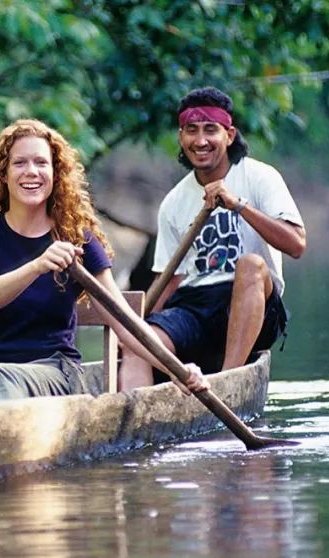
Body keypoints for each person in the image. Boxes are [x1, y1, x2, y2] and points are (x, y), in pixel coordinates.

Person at [0, 119, 208, 414]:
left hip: (53, 373)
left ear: (56, 173)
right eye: (20, 163)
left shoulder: (78, 238)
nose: (31, 172)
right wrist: (37, 265)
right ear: (4, 174)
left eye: (41, 163)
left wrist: (176, 368)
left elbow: (123, 321)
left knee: (3, 377)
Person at [121, 87, 306, 388]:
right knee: (136, 342)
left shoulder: (259, 177)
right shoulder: (173, 201)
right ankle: (141, 413)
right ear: (181, 138)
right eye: (191, 130)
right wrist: (139, 332)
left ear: (229, 135)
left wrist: (239, 205)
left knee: (250, 264)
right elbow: (170, 280)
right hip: (195, 305)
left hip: (252, 300)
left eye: (211, 130)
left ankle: (225, 383)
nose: (201, 140)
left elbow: (297, 245)